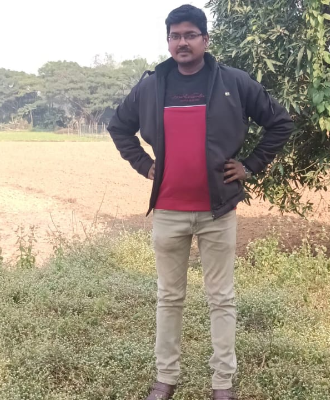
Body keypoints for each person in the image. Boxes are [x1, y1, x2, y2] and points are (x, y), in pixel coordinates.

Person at [107, 4, 294, 400]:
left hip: (217, 211)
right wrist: (143, 164)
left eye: (190, 35)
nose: (183, 42)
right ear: (168, 41)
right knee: (168, 297)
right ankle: (165, 378)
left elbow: (280, 122)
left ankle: (222, 383)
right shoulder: (151, 86)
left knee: (221, 298)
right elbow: (119, 126)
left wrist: (251, 165)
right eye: (175, 36)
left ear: (206, 40)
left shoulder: (233, 82)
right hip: (168, 211)